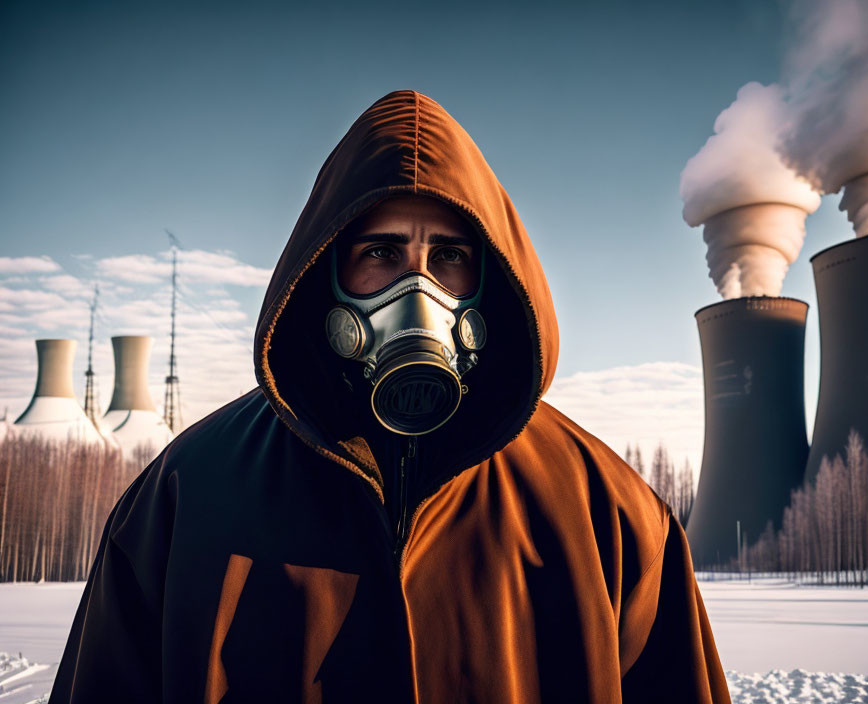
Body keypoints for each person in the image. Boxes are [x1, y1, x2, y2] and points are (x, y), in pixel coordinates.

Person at [50, 90, 731, 703]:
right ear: (327, 277)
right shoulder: (184, 497)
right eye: (381, 253)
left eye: (450, 257)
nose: (419, 290)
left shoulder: (607, 515)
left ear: (489, 281)